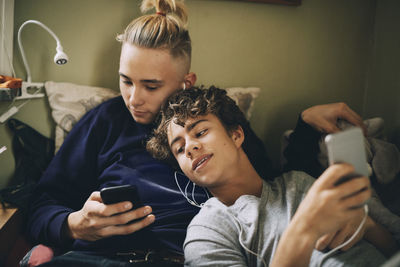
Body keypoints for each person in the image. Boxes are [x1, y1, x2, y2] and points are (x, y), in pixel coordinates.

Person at [25, 0, 374, 265]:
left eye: (151, 85)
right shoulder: (106, 120)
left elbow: (270, 189)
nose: (134, 98)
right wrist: (73, 225)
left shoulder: (212, 121)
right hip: (99, 257)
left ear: (185, 82)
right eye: (125, 80)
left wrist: (304, 124)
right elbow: (42, 202)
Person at [146, 86, 399, 267]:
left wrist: (365, 225)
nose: (189, 147)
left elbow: (393, 247)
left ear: (236, 135)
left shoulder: (299, 183)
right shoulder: (207, 230)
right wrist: (303, 231)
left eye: (200, 132)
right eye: (179, 149)